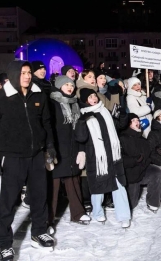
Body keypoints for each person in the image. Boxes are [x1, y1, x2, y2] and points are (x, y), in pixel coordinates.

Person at [0, 61, 56, 260]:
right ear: (14, 74)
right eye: (23, 73)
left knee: (40, 197)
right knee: (7, 203)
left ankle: (39, 232)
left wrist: (50, 147)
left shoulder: (39, 95)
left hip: (36, 156)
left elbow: (46, 123)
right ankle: (4, 242)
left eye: (29, 72)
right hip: (11, 158)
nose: (27, 76)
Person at [75, 88, 131, 229]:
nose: (94, 98)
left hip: (113, 156)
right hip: (97, 158)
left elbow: (119, 126)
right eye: (90, 97)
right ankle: (97, 212)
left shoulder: (105, 111)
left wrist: (123, 115)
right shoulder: (83, 115)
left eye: (94, 96)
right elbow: (81, 138)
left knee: (119, 185)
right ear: (85, 101)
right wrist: (82, 122)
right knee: (98, 188)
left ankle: (124, 216)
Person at [47, 76, 90, 233]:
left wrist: (82, 149)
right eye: (66, 84)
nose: (70, 87)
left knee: (73, 181)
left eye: (71, 85)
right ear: (58, 86)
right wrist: (48, 150)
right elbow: (47, 127)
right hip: (57, 149)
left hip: (72, 149)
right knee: (53, 186)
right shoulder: (52, 103)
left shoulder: (75, 104)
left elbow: (80, 130)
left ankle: (78, 213)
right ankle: (47, 220)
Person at [120, 113, 161, 212]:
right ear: (128, 123)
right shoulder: (122, 138)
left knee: (157, 173)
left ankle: (153, 202)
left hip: (143, 169)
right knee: (132, 205)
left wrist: (157, 151)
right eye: (134, 120)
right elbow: (120, 159)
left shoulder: (142, 139)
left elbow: (149, 155)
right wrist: (134, 160)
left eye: (138, 120)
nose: (138, 122)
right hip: (131, 174)